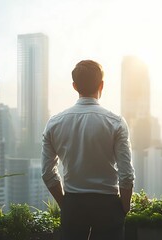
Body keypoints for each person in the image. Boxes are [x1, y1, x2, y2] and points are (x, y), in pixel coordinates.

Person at [42, 60, 135, 240]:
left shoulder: (54, 123)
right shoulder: (115, 122)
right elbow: (126, 175)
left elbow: (47, 173)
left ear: (75, 86)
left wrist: (66, 204)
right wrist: (124, 207)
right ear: (102, 85)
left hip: (73, 204)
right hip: (108, 206)